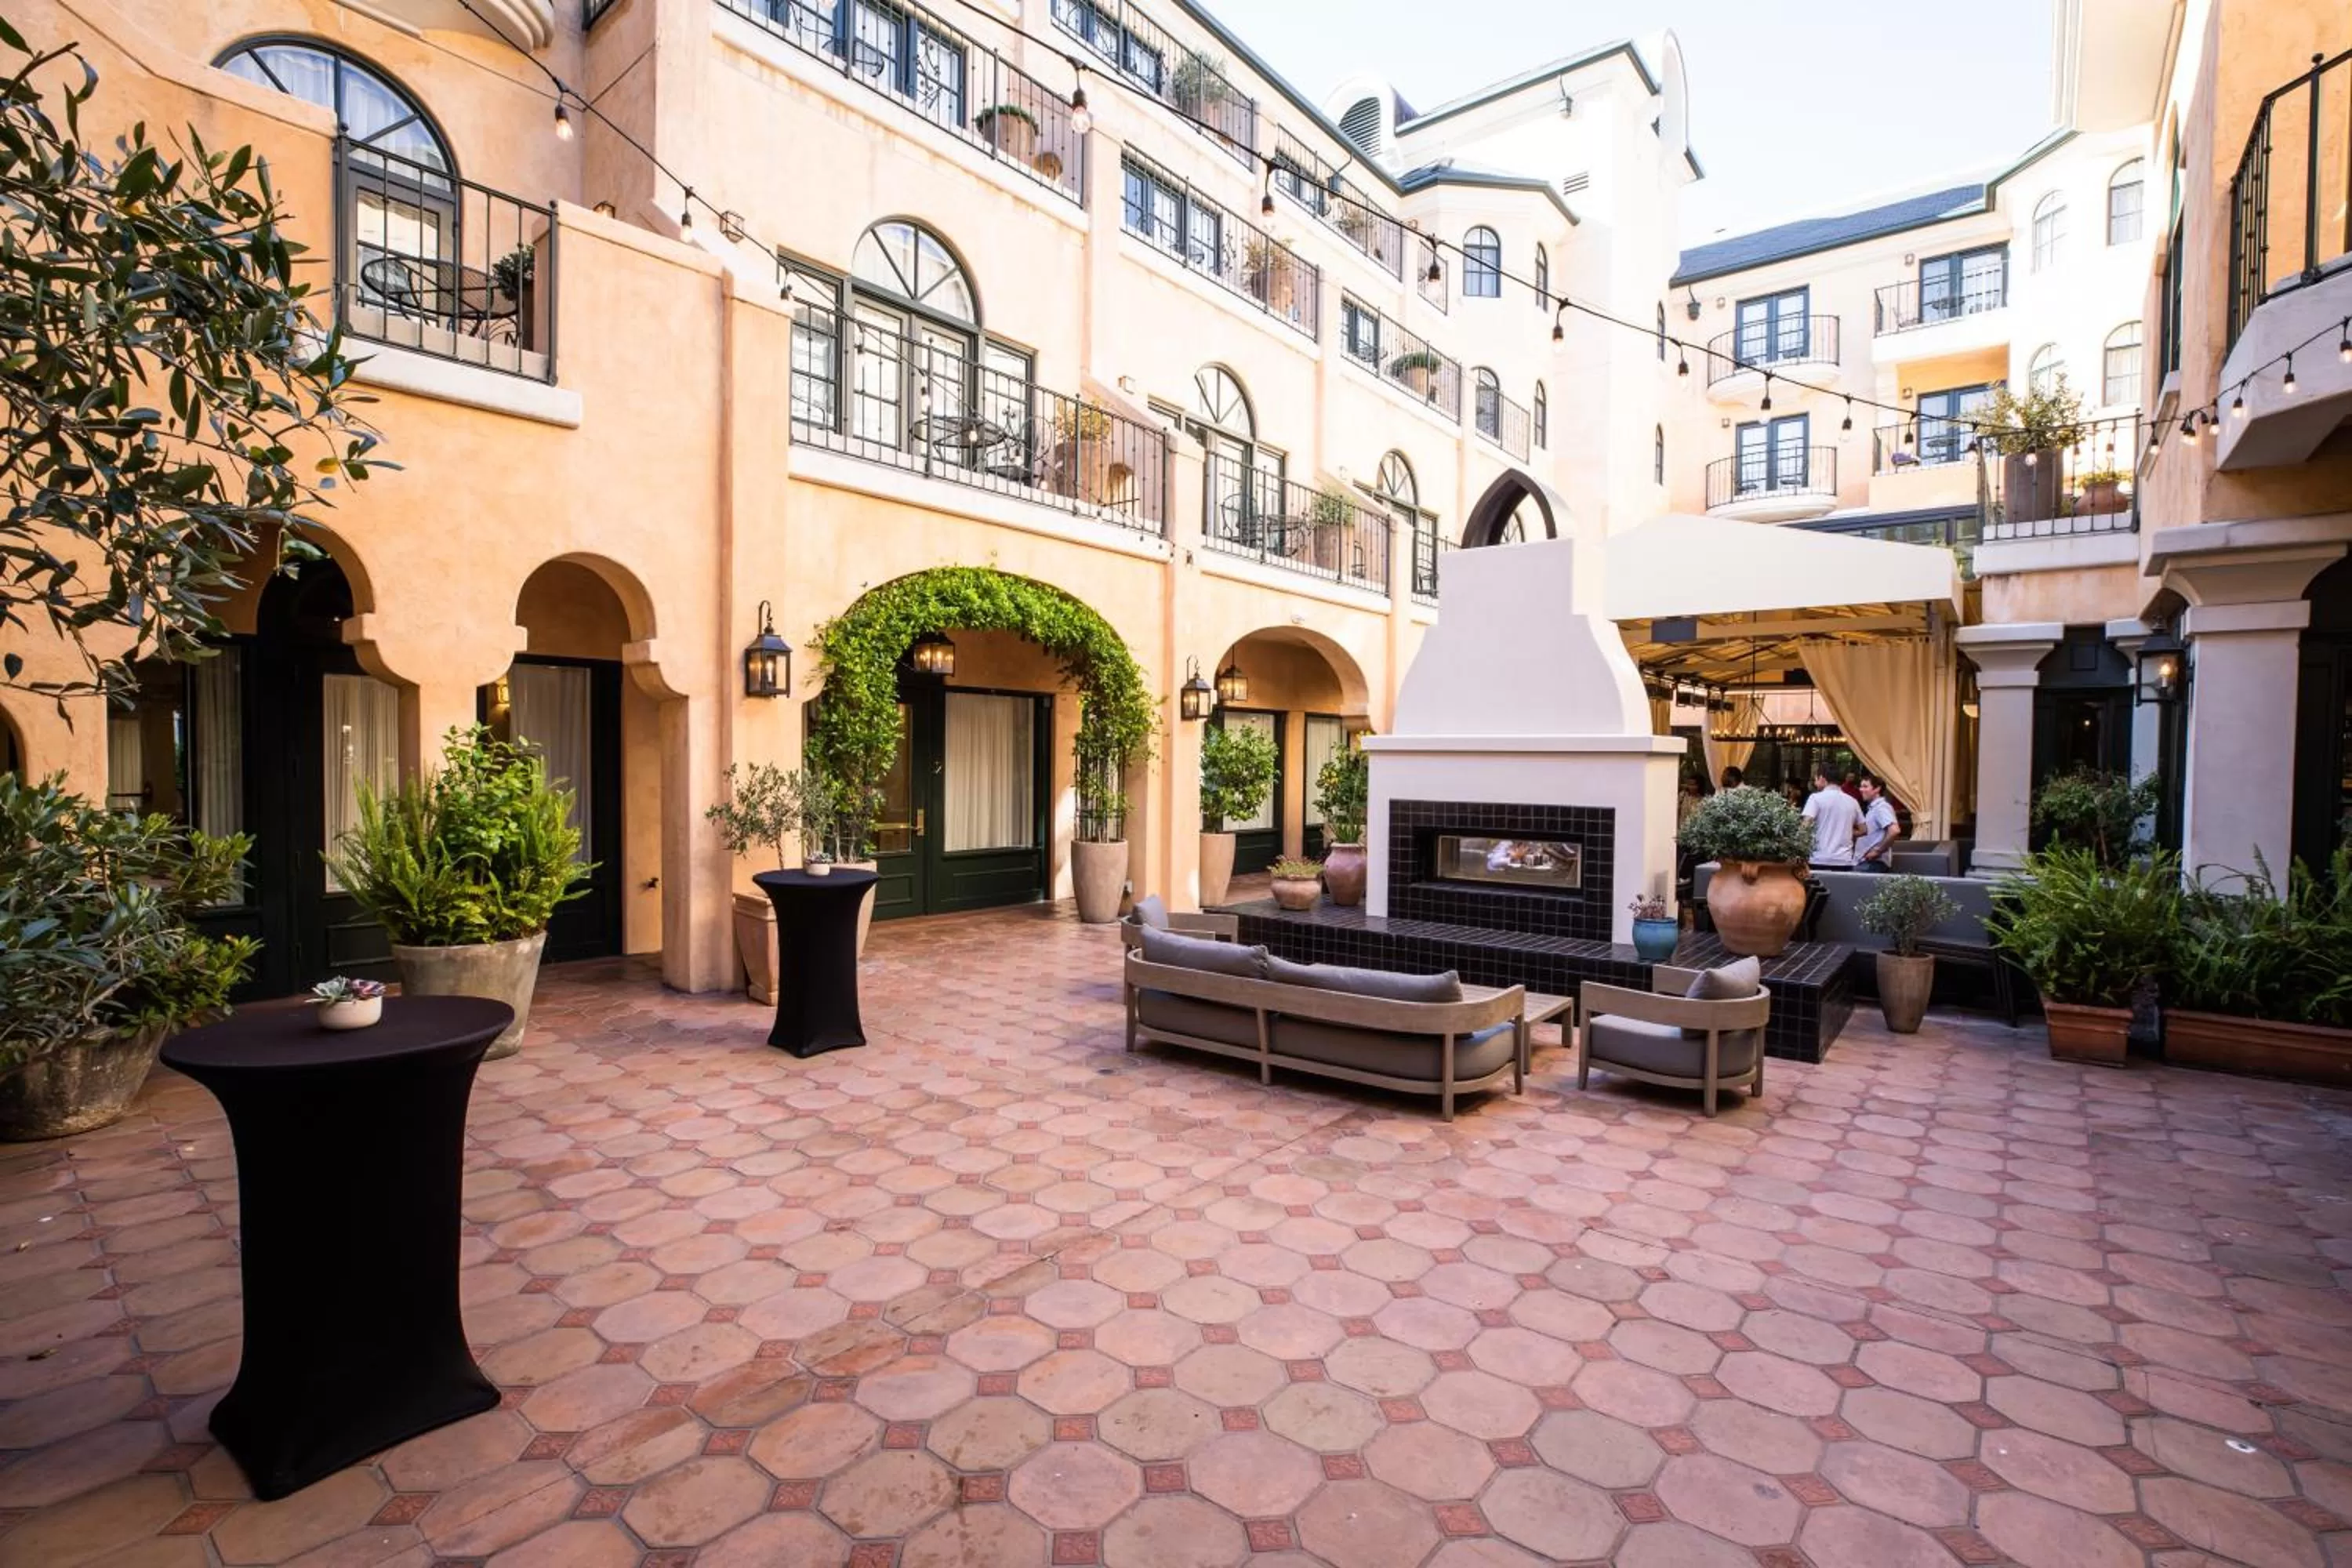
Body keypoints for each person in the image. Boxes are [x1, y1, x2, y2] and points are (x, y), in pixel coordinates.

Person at [1802, 766, 1864, 869]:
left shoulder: (1815, 798)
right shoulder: (1852, 801)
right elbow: (1863, 830)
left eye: (1815, 779)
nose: (1815, 782)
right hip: (1844, 860)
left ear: (1822, 778)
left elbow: (1805, 827)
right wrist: (1846, 830)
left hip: (1819, 858)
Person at [1857, 775, 1904, 871]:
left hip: (1873, 863)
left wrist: (1877, 851)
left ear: (1877, 789)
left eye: (1865, 786)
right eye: (1861, 786)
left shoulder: (1881, 807)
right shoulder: (1874, 808)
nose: (1861, 789)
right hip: (1868, 863)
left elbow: (1894, 831)